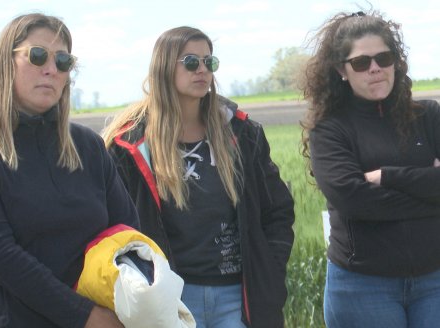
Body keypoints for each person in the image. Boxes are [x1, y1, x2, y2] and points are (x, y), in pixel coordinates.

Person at [0, 13, 139, 328]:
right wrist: (84, 315)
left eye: (63, 60)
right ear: (5, 63)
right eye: (37, 56)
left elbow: (127, 232)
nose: (51, 69)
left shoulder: (88, 146)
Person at [102, 26, 295, 328]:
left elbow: (278, 210)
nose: (203, 70)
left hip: (238, 297)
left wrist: (268, 274)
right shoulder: (129, 145)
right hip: (169, 299)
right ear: (164, 67)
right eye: (191, 62)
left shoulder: (242, 134)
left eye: (209, 62)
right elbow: (112, 228)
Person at [301, 9, 440, 328]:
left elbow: (369, 196)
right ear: (342, 70)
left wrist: (388, 177)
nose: (375, 68)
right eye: (362, 62)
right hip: (363, 287)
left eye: (384, 58)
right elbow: (353, 199)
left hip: (435, 281)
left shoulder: (429, 116)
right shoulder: (330, 130)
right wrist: (431, 194)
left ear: (396, 62)